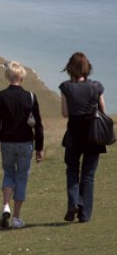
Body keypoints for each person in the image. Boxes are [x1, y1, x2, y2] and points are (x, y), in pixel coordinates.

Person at [0, 61, 44, 229]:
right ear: (22, 77)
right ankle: (17, 218)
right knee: (21, 178)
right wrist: (40, 148)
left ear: (8, 76)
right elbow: (38, 124)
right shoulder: (31, 97)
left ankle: (6, 205)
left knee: (8, 173)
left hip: (6, 142)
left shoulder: (0, 96)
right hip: (25, 143)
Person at [59, 52, 106, 223]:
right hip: (93, 135)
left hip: (74, 133)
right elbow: (102, 109)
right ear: (87, 68)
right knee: (88, 174)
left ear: (70, 68)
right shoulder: (96, 86)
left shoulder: (65, 87)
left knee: (72, 169)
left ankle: (73, 202)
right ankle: (84, 213)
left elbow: (65, 113)